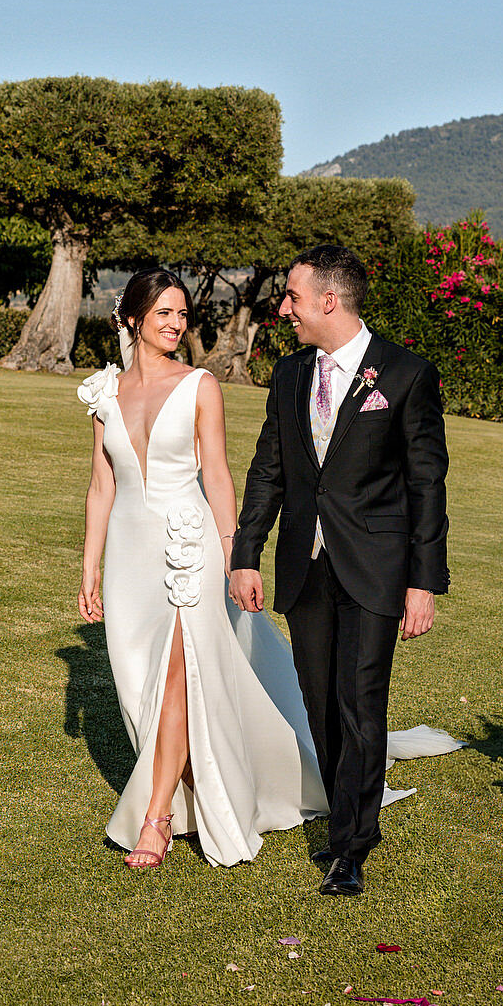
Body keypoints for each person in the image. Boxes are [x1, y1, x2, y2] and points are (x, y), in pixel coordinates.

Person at [78, 269, 325, 868]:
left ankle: (156, 817)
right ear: (132, 318)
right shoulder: (104, 394)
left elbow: (217, 474)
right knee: (138, 681)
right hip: (129, 559)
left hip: (189, 548)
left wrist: (237, 556)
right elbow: (101, 487)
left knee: (176, 678)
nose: (176, 324)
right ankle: (188, 784)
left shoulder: (200, 385)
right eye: (164, 312)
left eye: (182, 314)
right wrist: (89, 569)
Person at [229, 244, 451, 897]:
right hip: (305, 568)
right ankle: (343, 813)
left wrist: (423, 581)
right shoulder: (290, 374)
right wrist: (246, 554)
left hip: (376, 569)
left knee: (360, 705)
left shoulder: (406, 374)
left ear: (329, 300)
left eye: (292, 297)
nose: (284, 308)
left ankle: (352, 845)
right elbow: (268, 470)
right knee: (322, 706)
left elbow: (427, 484)